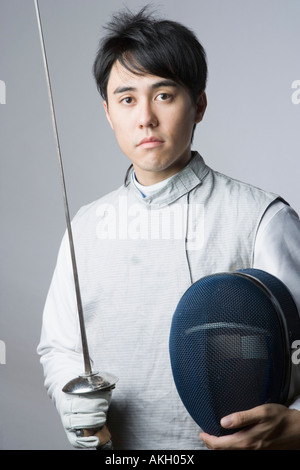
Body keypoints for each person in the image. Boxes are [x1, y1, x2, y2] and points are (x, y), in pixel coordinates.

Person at [37, 7, 300, 450]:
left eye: (163, 95)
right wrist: (73, 403)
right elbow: (60, 347)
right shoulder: (84, 228)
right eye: (127, 99)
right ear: (107, 112)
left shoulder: (262, 218)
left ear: (198, 105)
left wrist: (296, 426)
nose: (145, 118)